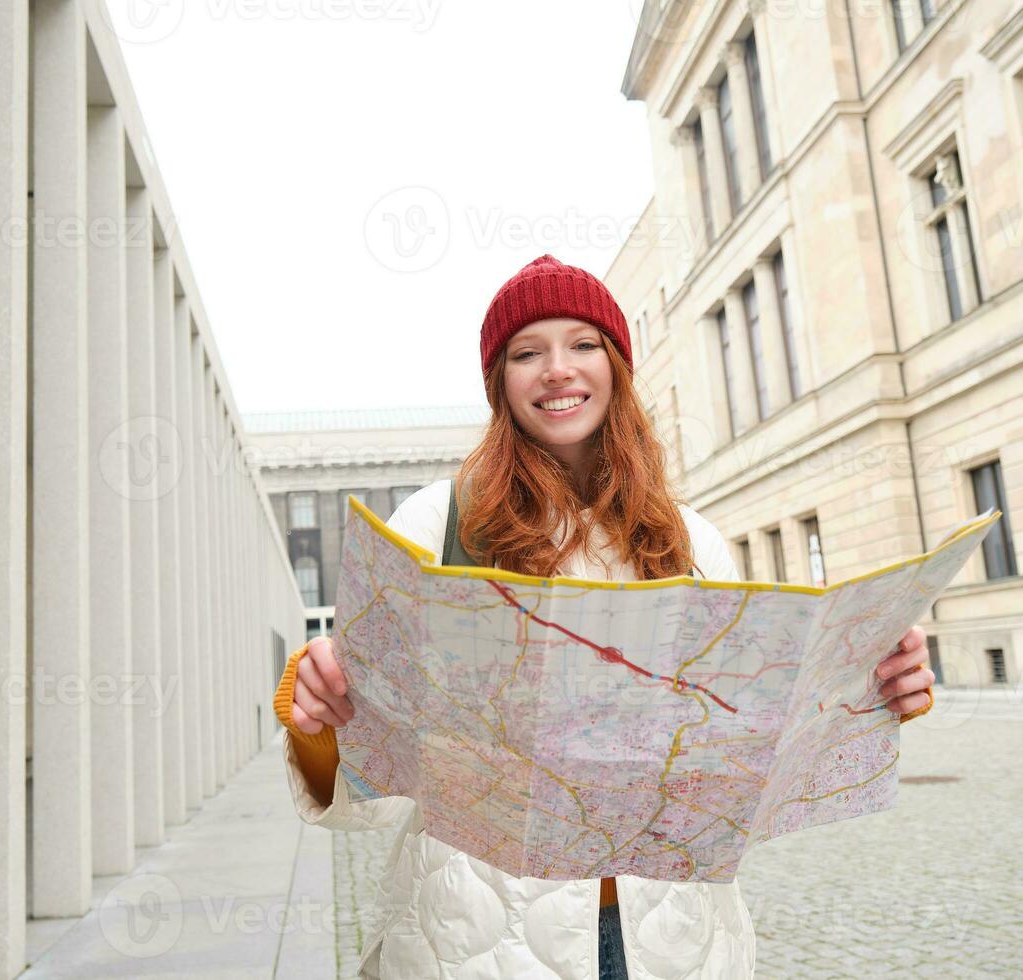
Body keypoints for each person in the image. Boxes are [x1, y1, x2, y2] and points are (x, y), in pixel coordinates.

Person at [272, 254, 935, 979]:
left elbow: (746, 756)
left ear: (616, 366)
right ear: (500, 382)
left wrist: (861, 696)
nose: (558, 369)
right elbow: (366, 792)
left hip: (675, 941)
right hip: (477, 944)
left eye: (583, 344)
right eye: (528, 352)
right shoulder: (437, 524)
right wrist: (318, 723)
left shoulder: (690, 538)